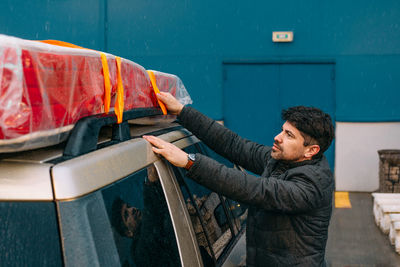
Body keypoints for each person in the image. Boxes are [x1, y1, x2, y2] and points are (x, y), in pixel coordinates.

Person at [143, 92, 335, 267]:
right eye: (283, 130)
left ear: (311, 151)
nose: (277, 137)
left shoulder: (312, 186)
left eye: (289, 135)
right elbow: (234, 145)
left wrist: (189, 162)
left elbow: (255, 189)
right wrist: (182, 111)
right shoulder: (280, 160)